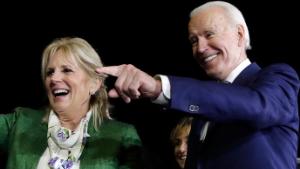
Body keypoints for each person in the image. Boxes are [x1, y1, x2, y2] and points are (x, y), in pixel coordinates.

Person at [96, 1, 300, 169]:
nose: (200, 48)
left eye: (210, 34)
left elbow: (256, 107)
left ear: (239, 34)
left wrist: (160, 87)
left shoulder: (278, 77)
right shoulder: (203, 112)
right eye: (194, 40)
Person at [0, 37, 143, 169]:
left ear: (94, 83)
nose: (54, 78)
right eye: (50, 72)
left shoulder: (121, 136)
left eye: (67, 70)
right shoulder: (19, 122)